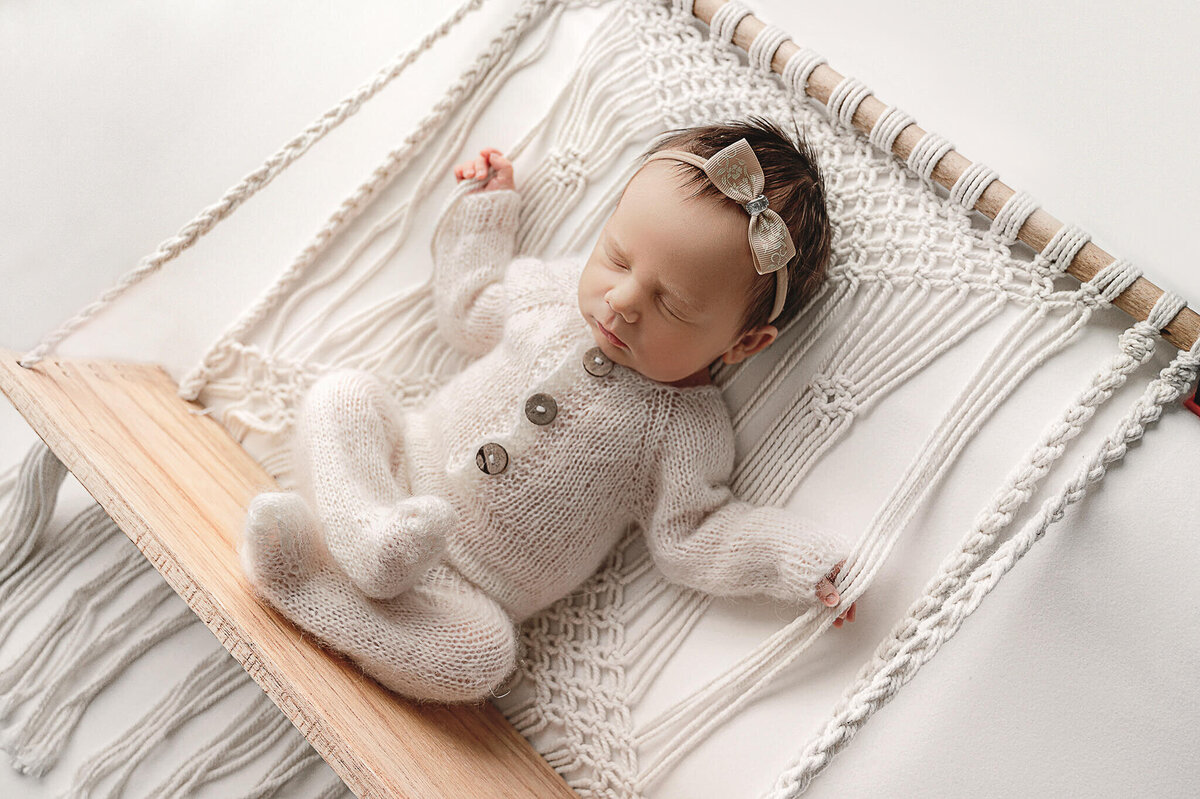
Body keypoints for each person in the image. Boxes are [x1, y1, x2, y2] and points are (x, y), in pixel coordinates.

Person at [239, 115, 859, 704]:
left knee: (482, 658)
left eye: (671, 304)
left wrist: (802, 564)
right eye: (617, 257)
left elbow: (696, 535)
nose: (620, 300)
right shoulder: (552, 297)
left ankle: (310, 587)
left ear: (743, 343)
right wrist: (487, 207)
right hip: (397, 471)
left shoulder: (686, 431)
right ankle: (364, 535)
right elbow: (469, 305)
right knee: (344, 397)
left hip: (469, 588)